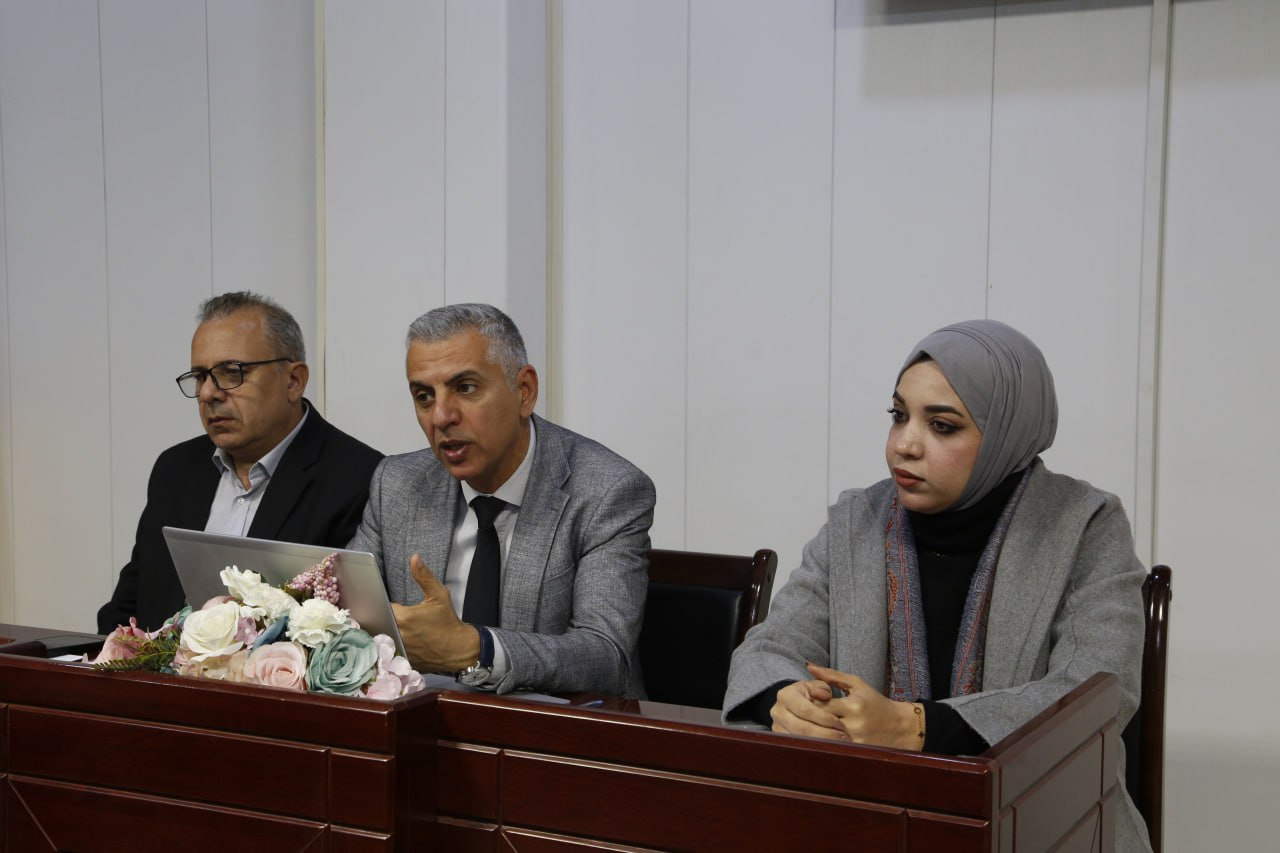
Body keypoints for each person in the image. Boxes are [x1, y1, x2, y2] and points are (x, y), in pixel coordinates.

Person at [723, 319, 1152, 853]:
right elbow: (769, 649)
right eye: (898, 416)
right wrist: (785, 700)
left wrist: (915, 728)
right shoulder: (858, 519)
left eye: (942, 426)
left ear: (1007, 435)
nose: (904, 445)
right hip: (871, 823)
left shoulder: (1084, 525)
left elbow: (1097, 692)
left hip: (1048, 826)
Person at [347, 303, 655, 697]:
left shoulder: (606, 490)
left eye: (465, 388)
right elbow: (342, 611)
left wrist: (476, 649)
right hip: (423, 720)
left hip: (554, 726)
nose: (441, 416)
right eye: (424, 396)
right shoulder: (397, 483)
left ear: (524, 391)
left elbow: (605, 655)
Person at [97, 292, 383, 633]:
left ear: (293, 381)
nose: (208, 393)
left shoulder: (359, 479)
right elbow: (127, 610)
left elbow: (353, 631)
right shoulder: (175, 470)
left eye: (231, 373)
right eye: (201, 376)